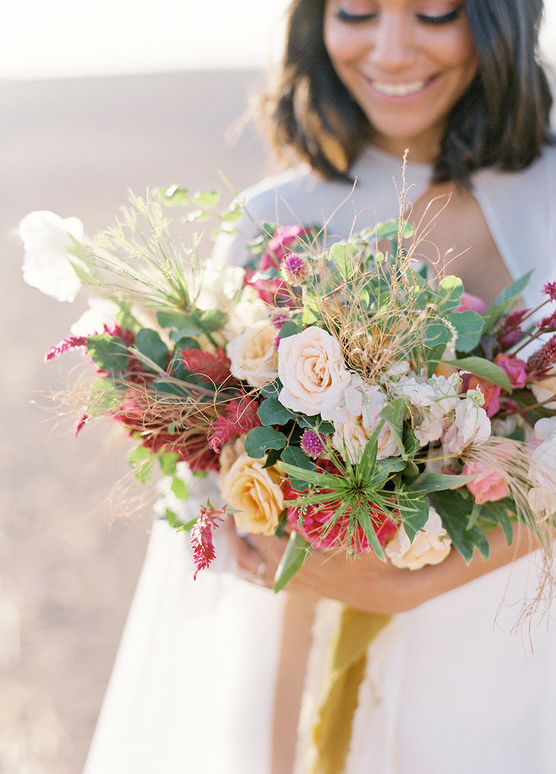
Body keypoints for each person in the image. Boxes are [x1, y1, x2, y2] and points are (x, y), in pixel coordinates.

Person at [83, 1, 556, 773]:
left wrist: (414, 584)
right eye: (358, 11)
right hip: (335, 689)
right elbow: (245, 544)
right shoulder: (274, 218)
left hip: (525, 667)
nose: (392, 51)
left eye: (434, 11)